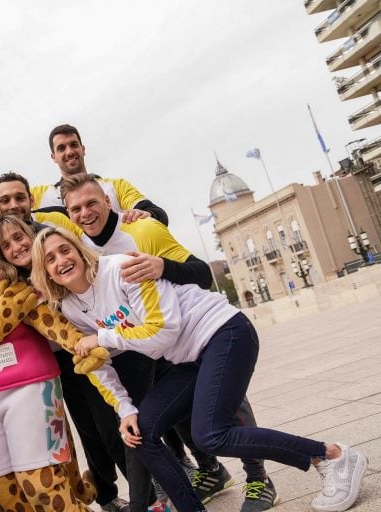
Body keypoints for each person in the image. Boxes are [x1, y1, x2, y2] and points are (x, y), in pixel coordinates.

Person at [31, 227, 368, 512]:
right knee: (140, 434)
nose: (61, 260)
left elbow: (163, 330)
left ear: (80, 250)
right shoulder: (70, 308)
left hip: (223, 332)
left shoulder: (122, 269)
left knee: (211, 433)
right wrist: (125, 409)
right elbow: (98, 365)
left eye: (65, 249)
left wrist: (102, 336)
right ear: (43, 271)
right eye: (50, 258)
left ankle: (330, 456)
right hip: (187, 358)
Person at [61, 173, 277, 510]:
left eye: (92, 203)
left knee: (228, 404)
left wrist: (162, 266)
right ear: (68, 215)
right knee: (173, 413)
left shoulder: (142, 229)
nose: (85, 213)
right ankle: (211, 471)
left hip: (188, 332)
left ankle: (258, 477)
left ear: (107, 201)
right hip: (145, 345)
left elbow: (202, 273)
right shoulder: (80, 250)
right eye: (76, 209)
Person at [0, 212, 169, 512]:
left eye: (19, 237)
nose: (16, 247)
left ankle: (150, 500)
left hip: (101, 351)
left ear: (31, 233)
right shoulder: (13, 288)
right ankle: (115, 497)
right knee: (90, 433)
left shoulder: (60, 258)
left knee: (115, 428)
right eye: (6, 245)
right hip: (61, 364)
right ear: (0, 255)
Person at [0, 124, 167, 224]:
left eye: (73, 145)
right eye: (61, 148)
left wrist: (145, 214)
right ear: (53, 156)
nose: (69, 151)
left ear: (83, 148)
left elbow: (158, 215)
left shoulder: (115, 185)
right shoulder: (37, 195)